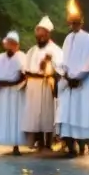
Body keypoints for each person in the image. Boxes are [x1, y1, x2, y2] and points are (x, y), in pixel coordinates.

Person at [58, 6, 89, 157]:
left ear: (82, 22)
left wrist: (78, 77)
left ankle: (83, 146)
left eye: (76, 22)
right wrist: (67, 77)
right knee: (66, 115)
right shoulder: (68, 39)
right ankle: (70, 147)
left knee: (81, 114)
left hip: (83, 84)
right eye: (71, 23)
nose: (73, 26)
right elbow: (64, 60)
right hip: (69, 84)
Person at [21, 17, 63, 151]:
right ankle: (37, 140)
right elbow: (25, 69)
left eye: (42, 36)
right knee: (34, 114)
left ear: (48, 34)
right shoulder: (32, 50)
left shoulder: (55, 50)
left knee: (47, 113)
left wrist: (49, 64)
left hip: (46, 84)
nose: (40, 38)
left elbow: (61, 68)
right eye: (38, 36)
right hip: (33, 85)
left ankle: (48, 142)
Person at [0, 31, 26, 155]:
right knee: (5, 116)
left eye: (13, 44)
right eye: (9, 43)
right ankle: (7, 140)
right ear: (5, 44)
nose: (11, 46)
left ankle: (16, 145)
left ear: (17, 45)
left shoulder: (21, 57)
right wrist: (0, 83)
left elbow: (23, 75)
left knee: (16, 117)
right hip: (3, 92)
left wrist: (10, 84)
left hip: (15, 92)